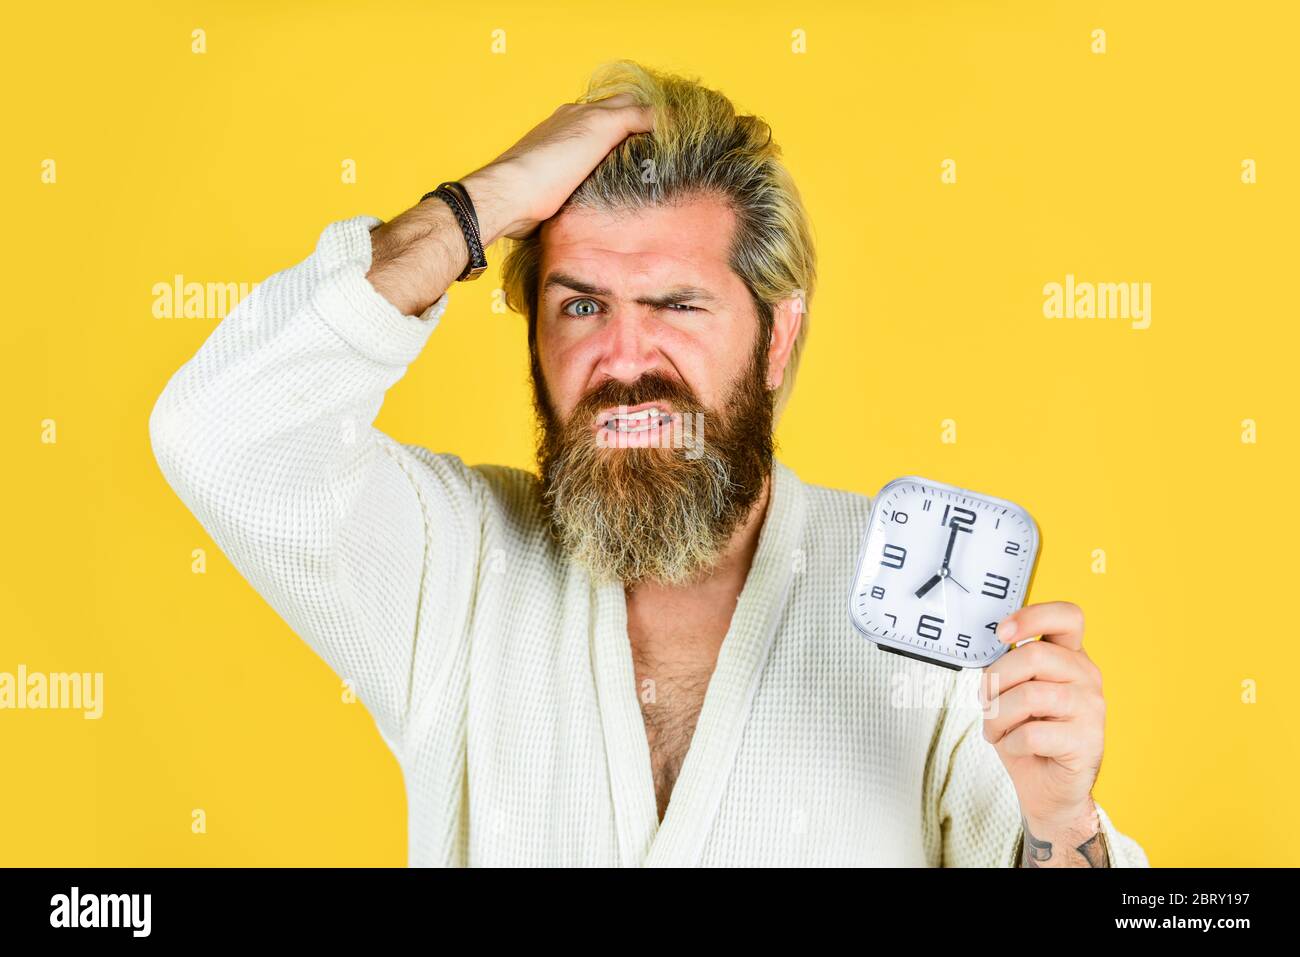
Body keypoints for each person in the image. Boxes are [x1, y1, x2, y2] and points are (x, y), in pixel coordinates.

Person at [149, 59, 1148, 867]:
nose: (623, 361)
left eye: (676, 305)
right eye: (580, 305)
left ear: (776, 340)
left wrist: (1062, 826)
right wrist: (474, 207)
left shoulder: (919, 614)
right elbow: (221, 433)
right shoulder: (453, 568)